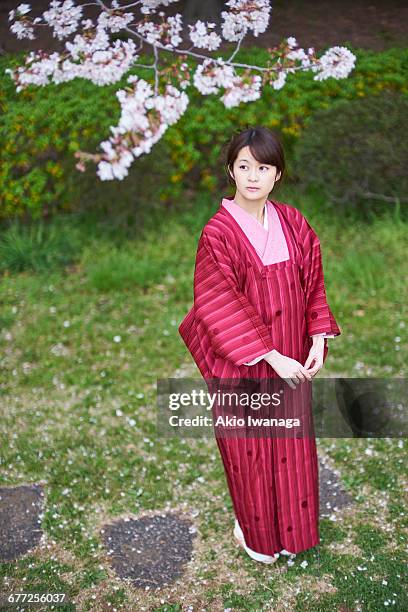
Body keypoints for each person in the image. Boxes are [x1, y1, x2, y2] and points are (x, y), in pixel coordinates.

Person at [178, 126, 341, 564]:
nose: (253, 176)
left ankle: (293, 531)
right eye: (244, 166)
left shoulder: (293, 221)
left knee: (290, 446)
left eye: (263, 167)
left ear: (277, 174)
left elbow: (313, 283)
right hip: (245, 359)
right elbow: (217, 302)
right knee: (250, 448)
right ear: (231, 170)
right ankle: (256, 534)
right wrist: (271, 356)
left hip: (293, 354)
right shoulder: (219, 233)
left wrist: (318, 337)